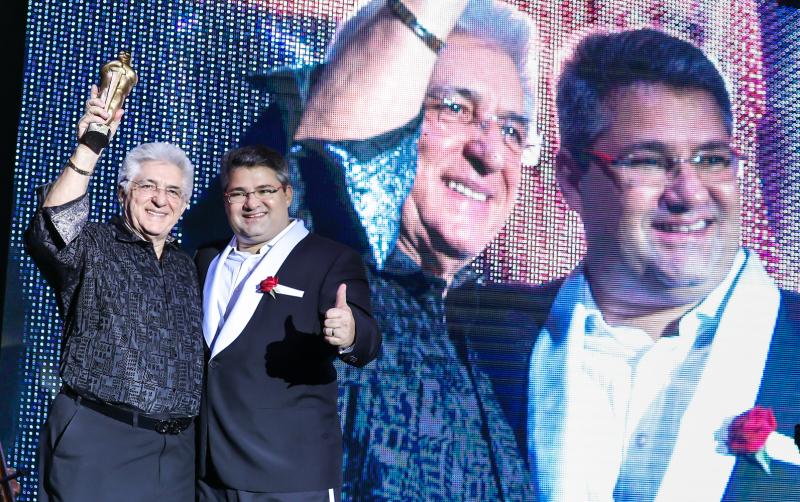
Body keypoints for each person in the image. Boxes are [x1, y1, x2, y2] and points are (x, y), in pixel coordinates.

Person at [456, 28, 800, 501]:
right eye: (648, 162)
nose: (689, 193)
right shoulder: (475, 334)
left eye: (711, 159)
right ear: (572, 179)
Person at [226, 0, 541, 498]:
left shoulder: (493, 358)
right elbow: (328, 158)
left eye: (512, 130)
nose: (490, 153)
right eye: (455, 108)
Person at [24, 87, 204, 500]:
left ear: (184, 205)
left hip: (176, 457)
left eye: (173, 192)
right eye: (148, 186)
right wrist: (90, 146)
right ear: (123, 192)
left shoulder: (189, 266)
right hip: (99, 440)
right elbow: (53, 227)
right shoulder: (93, 244)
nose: (160, 200)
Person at [194, 145, 380, 501]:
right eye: (238, 193)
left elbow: (368, 341)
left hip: (290, 473)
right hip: (210, 472)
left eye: (265, 190)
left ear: (287, 194)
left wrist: (350, 332)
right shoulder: (205, 258)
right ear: (225, 200)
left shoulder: (330, 258)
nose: (252, 203)